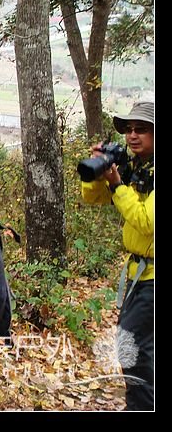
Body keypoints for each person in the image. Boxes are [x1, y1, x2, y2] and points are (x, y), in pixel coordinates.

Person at [81, 101, 154, 410]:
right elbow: (95, 199)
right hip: (139, 273)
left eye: (142, 129)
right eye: (129, 129)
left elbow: (146, 222)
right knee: (137, 344)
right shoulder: (134, 166)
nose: (132, 135)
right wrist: (97, 173)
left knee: (132, 343)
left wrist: (118, 185)